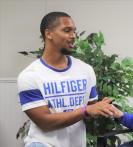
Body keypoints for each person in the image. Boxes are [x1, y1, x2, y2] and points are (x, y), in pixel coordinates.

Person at [17, 12, 114, 147]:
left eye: (74, 31)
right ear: (48, 34)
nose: (73, 36)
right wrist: (86, 111)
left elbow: (91, 109)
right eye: (67, 31)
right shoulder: (29, 76)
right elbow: (45, 122)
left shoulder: (86, 70)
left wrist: (103, 109)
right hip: (42, 143)